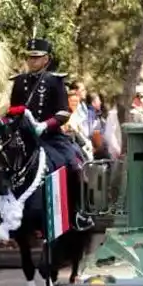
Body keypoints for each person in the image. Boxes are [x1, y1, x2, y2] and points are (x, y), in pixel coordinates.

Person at [8, 38, 92, 228]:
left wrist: (44, 125)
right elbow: (13, 109)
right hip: (24, 138)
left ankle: (79, 212)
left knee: (75, 164)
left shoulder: (55, 81)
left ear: (46, 59)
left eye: (36, 58)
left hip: (51, 137)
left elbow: (63, 112)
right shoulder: (19, 81)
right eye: (29, 57)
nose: (32, 61)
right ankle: (0, 216)